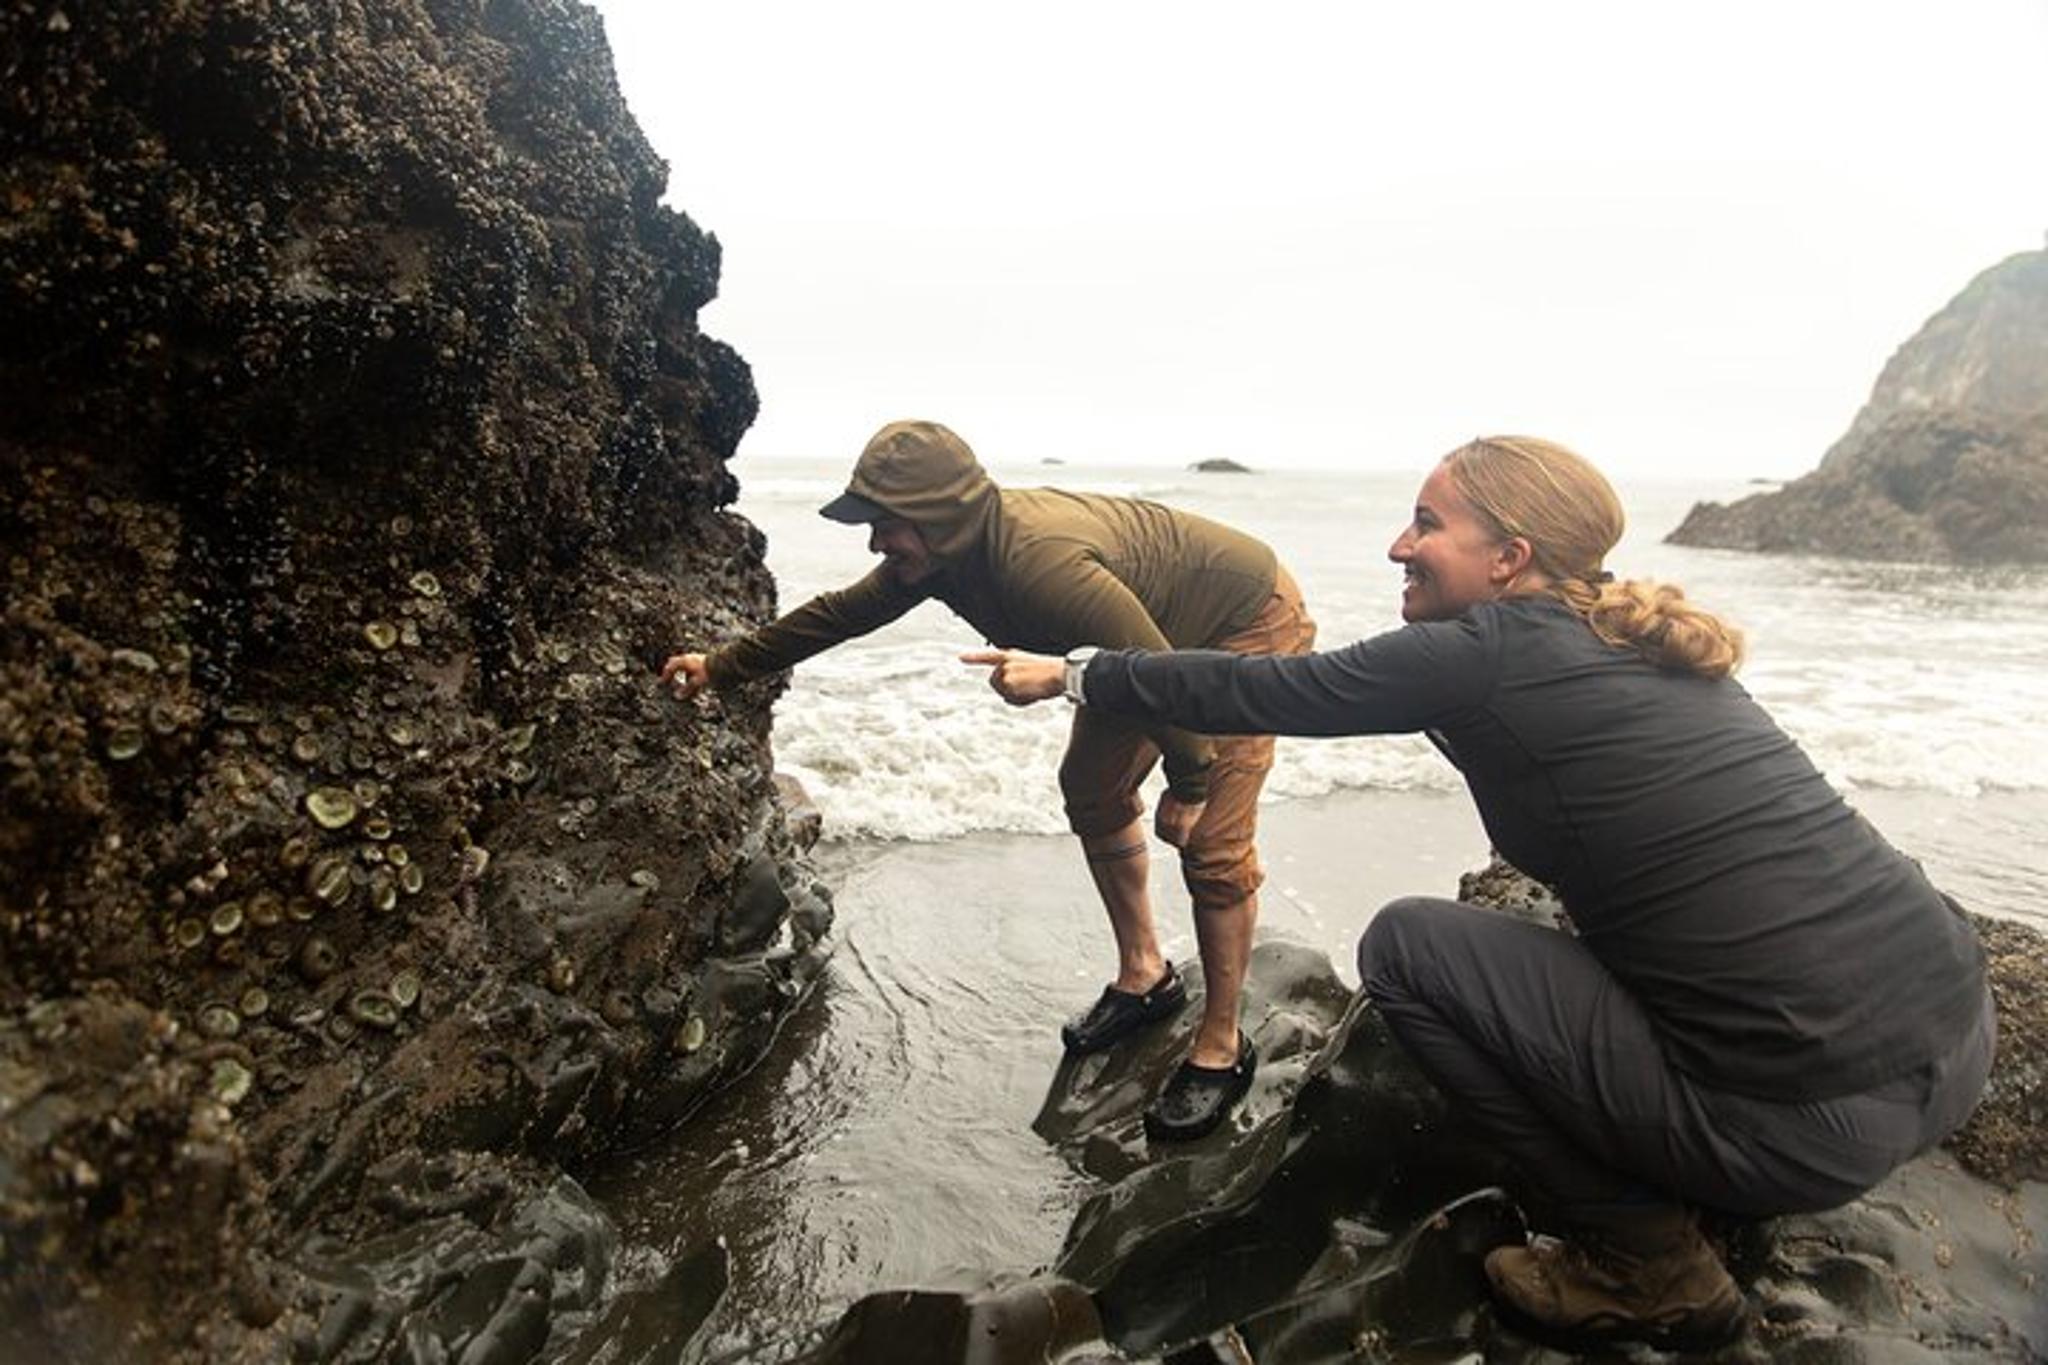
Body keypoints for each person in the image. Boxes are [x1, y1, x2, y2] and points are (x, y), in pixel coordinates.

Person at [966, 435, 1993, 1349]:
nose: (1395, 546)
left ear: (1508, 559)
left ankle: (1645, 1261)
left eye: (1426, 522)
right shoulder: (1633, 641)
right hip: (1956, 1043)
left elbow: (1264, 691)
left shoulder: (1485, 653)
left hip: (1798, 1135)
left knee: (1413, 946)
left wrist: (1077, 675)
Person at [661, 419, 1316, 1140]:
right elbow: (840, 615)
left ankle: (1221, 1047)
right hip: (1146, 639)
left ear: (940, 515)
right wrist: (719, 666)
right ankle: (1146, 975)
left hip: (1242, 621)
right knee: (1091, 787)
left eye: (885, 522)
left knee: (1214, 843)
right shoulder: (942, 557)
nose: (876, 541)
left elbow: (1152, 668)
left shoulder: (1038, 561)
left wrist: (1190, 783)